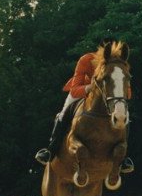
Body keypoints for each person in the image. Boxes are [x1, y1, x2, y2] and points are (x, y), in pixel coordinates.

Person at [34, 37, 134, 173]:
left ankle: (123, 160)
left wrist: (121, 91)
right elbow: (75, 89)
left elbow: (127, 92)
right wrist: (91, 88)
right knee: (63, 113)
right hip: (82, 92)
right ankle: (50, 150)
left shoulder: (120, 65)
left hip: (109, 99)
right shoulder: (86, 60)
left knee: (125, 115)